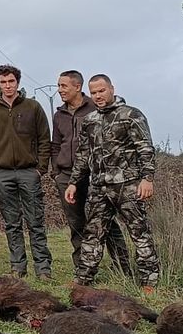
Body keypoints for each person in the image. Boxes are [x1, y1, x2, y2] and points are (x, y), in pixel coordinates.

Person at [68, 74, 162, 290]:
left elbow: (145, 148)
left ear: (111, 89)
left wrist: (147, 179)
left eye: (102, 90)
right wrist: (74, 182)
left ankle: (150, 280)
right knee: (92, 233)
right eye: (94, 92)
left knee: (139, 232)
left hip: (128, 185)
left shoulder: (130, 115)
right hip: (98, 187)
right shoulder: (90, 121)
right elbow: (83, 154)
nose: (98, 95)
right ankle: (83, 280)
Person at [52, 69, 131, 277]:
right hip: (67, 176)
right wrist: (56, 171)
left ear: (77, 87)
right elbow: (55, 145)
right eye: (59, 86)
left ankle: (121, 266)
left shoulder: (95, 107)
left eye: (63, 86)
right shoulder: (58, 114)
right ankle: (82, 268)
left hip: (95, 176)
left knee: (105, 221)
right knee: (76, 223)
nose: (60, 90)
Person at [0, 64, 53, 278]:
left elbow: (44, 140)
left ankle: (43, 267)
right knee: (12, 223)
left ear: (17, 82)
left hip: (29, 172)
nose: (8, 85)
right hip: (3, 174)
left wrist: (41, 168)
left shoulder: (33, 107)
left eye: (11, 81)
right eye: (3, 82)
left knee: (35, 221)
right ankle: (18, 266)